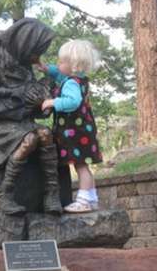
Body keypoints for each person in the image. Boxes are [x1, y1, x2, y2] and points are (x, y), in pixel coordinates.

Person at [0, 18, 63, 216]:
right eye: (35, 51)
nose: (37, 58)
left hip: (19, 120)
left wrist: (42, 104)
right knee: (30, 138)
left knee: (45, 134)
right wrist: (23, 103)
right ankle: (5, 194)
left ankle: (51, 193)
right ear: (24, 43)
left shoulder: (22, 63)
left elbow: (29, 99)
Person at [37, 39, 103, 213]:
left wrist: (52, 102)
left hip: (76, 133)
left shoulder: (71, 83)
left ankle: (84, 201)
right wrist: (47, 69)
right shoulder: (77, 79)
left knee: (81, 166)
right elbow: (60, 75)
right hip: (82, 131)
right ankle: (92, 198)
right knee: (83, 166)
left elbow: (73, 101)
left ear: (73, 65)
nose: (58, 64)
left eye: (61, 62)